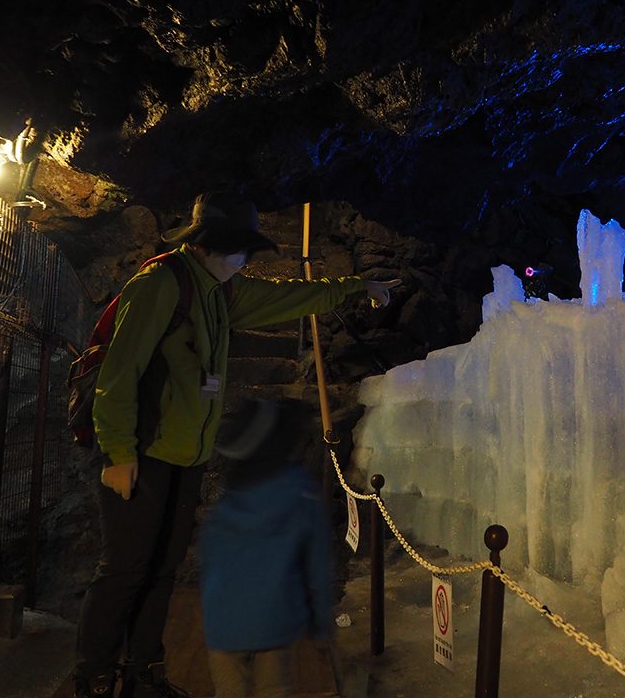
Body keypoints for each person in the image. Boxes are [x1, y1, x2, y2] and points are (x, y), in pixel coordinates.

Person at [73, 192, 398, 698]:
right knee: (123, 569)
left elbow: (288, 298)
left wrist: (356, 286)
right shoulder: (161, 284)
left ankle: (143, 671)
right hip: (143, 453)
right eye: (240, 251)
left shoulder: (221, 291)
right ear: (211, 244)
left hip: (186, 457)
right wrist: (118, 454)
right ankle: (94, 676)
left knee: (160, 569)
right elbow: (120, 375)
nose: (245, 262)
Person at [199, 398, 332, 698]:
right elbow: (318, 567)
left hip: (222, 621)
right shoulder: (301, 493)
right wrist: (321, 626)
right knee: (274, 691)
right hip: (273, 617)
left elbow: (206, 558)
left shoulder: (229, 499)